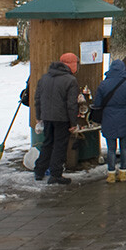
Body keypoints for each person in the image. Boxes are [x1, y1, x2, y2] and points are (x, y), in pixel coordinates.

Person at [33, 52, 80, 185]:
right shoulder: (71, 80)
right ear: (72, 65)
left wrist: (39, 116)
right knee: (60, 146)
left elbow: (37, 99)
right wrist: (73, 123)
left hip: (47, 117)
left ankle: (39, 171)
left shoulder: (44, 78)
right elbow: (71, 104)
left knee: (47, 143)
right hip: (62, 118)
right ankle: (55, 174)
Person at [95, 58, 126, 183]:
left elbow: (98, 103)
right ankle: (123, 173)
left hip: (109, 117)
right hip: (125, 116)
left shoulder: (103, 84)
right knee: (124, 147)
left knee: (111, 148)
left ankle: (111, 174)